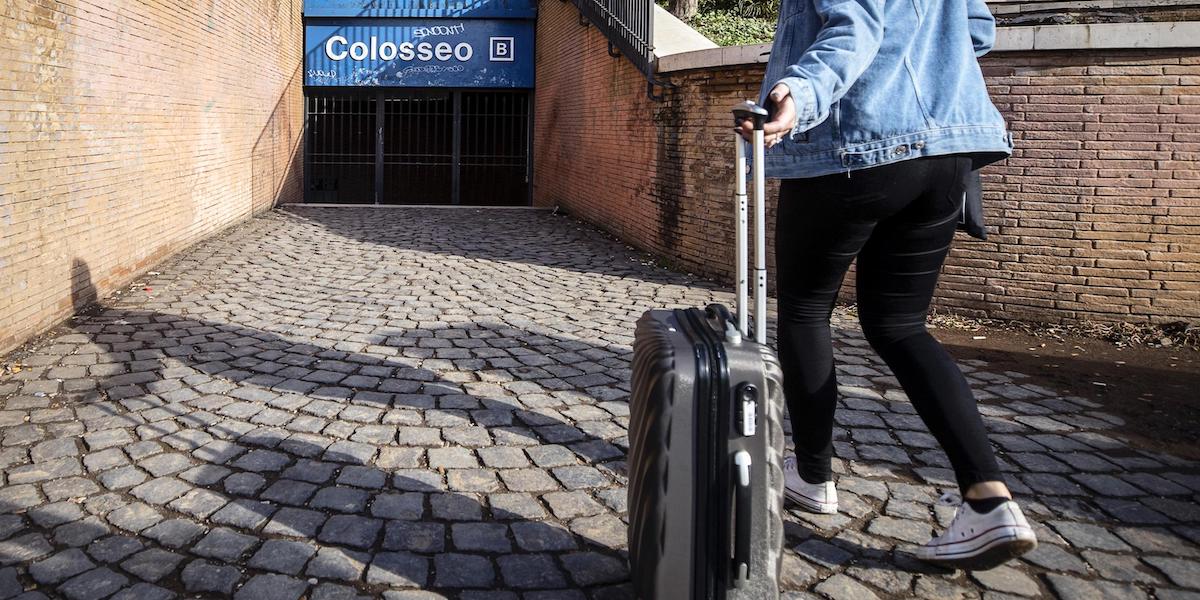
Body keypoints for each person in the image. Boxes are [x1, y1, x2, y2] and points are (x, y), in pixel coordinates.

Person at [736, 0, 1037, 570]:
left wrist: (800, 92)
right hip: (948, 152)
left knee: (804, 311)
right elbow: (976, 31)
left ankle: (814, 477)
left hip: (855, 147)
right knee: (900, 326)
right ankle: (988, 500)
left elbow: (856, 27)